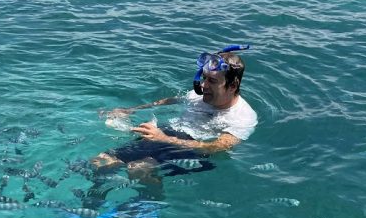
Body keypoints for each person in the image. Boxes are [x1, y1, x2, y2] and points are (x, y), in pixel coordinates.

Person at [93, 45, 257, 179]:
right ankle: (92, 202)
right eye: (204, 77)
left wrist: (164, 138)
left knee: (137, 169)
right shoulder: (198, 94)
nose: (203, 85)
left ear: (232, 86)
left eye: (212, 81)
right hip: (168, 135)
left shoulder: (243, 117)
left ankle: (145, 207)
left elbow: (216, 147)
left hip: (194, 151)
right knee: (101, 161)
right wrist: (130, 110)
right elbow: (169, 101)